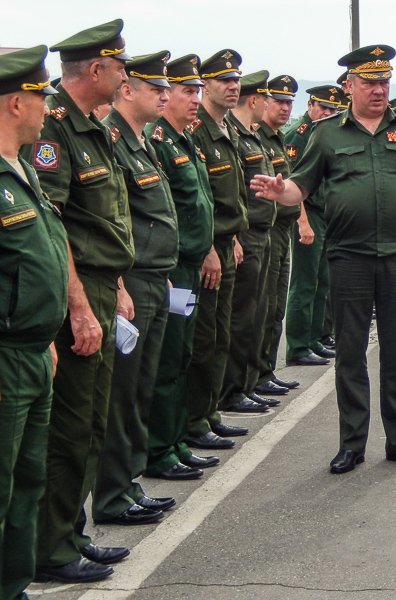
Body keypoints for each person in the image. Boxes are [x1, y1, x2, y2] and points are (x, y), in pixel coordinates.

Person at [251, 44, 396, 475]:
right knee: (351, 354)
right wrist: (277, 191)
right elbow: (298, 188)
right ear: (350, 85)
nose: (378, 90)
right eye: (369, 82)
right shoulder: (327, 134)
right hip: (348, 258)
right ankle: (352, 443)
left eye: (384, 82)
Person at [26, 19, 135, 584]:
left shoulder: (96, 127)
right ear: (95, 69)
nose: (124, 77)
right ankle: (50, 547)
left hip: (99, 284)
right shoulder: (56, 130)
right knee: (69, 427)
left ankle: (71, 531)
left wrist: (114, 287)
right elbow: (56, 223)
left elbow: (105, 219)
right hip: (77, 291)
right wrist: (80, 304)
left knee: (91, 422)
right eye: (119, 67)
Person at [92, 51, 178, 528]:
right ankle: (111, 497)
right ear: (128, 91)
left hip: (152, 278)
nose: (164, 96)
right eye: (156, 88)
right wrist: (122, 281)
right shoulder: (112, 141)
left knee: (140, 389)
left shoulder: (142, 142)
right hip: (130, 283)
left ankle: (128, 484)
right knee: (122, 395)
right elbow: (113, 220)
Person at [0, 45, 68, 600]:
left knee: (26, 482)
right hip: (3, 358)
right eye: (41, 98)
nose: (47, 108)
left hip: (31, 350)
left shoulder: (21, 169)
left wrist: (43, 335)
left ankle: (14, 585)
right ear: (16, 103)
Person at [144, 54, 220, 480]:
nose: (195, 99)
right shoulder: (157, 140)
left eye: (196, 91)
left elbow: (197, 206)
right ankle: (159, 450)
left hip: (190, 267)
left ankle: (176, 441)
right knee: (168, 361)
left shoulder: (181, 140)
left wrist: (206, 248)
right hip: (172, 269)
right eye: (187, 91)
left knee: (184, 355)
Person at [183, 49, 252, 450]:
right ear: (205, 84)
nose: (232, 86)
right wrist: (210, 245)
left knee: (221, 333)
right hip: (207, 248)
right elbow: (198, 200)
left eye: (235, 79)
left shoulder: (227, 131)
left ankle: (210, 412)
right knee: (204, 339)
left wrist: (234, 238)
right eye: (223, 80)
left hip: (228, 242)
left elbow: (231, 195)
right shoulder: (198, 132)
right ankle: (195, 421)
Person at [218, 70, 280, 411]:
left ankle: (247, 381)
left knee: (256, 314)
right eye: (269, 99)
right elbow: (234, 193)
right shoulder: (237, 137)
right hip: (246, 235)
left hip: (261, 232)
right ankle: (233, 390)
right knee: (240, 318)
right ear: (254, 100)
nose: (272, 105)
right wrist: (236, 236)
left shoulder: (248, 136)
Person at [282, 84, 346, 367]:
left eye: (333, 109)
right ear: (310, 106)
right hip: (307, 213)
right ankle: (297, 346)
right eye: (323, 107)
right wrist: (303, 222)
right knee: (305, 282)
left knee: (322, 280)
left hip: (324, 212)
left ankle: (314, 339)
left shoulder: (325, 130)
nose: (328, 113)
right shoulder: (300, 133)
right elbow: (294, 182)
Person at [254, 74, 309, 394]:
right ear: (262, 102)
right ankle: (254, 376)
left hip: (280, 230)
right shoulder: (259, 136)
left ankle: (265, 370)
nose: (286, 108)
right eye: (279, 102)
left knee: (274, 307)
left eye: (290, 102)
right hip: (265, 231)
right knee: (261, 308)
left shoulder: (274, 137)